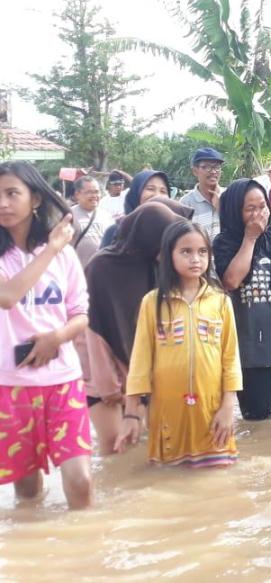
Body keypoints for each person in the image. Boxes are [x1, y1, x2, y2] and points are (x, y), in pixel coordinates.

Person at [0, 161, 93, 509]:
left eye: (12, 193)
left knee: (81, 480)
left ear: (35, 199)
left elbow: (81, 314)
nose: (3, 203)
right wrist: (51, 249)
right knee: (26, 491)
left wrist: (57, 337)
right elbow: (8, 296)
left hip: (63, 380)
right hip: (11, 385)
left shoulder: (65, 255)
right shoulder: (55, 250)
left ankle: (86, 549)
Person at [115, 221, 242, 466]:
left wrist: (228, 407)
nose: (195, 259)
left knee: (218, 480)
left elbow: (231, 358)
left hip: (212, 411)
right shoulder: (152, 303)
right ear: (167, 256)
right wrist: (131, 413)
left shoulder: (220, 302)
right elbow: (140, 361)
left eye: (202, 252)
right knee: (169, 478)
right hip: (167, 412)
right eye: (186, 251)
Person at [83, 201, 192, 454]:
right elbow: (91, 330)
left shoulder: (156, 266)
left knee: (147, 449)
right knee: (113, 450)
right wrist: (108, 384)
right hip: (102, 377)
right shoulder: (100, 267)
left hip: (142, 375)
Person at [214, 179, 271, 421]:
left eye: (262, 207)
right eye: (250, 209)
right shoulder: (224, 243)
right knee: (259, 420)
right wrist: (249, 239)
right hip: (251, 351)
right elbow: (231, 281)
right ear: (234, 211)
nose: (258, 214)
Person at [99, 169, 173, 248]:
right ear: (137, 193)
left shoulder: (175, 233)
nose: (157, 195)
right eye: (150, 189)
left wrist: (120, 172)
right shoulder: (115, 233)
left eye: (163, 191)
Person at [180, 147, 225, 239]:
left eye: (217, 167)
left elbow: (238, 229)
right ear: (195, 171)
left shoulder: (230, 195)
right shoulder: (186, 203)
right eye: (207, 167)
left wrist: (221, 208)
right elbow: (181, 237)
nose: (213, 172)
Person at [69, 176, 114, 267]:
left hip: (103, 270)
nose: (94, 196)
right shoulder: (68, 215)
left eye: (97, 192)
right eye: (89, 192)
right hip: (78, 272)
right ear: (77, 194)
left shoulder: (106, 216)